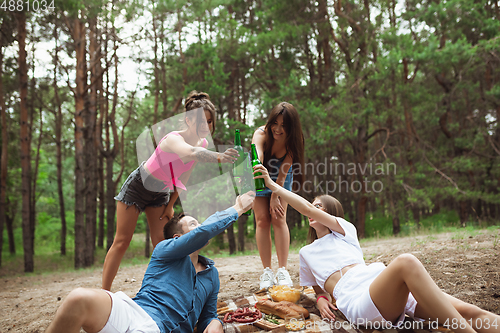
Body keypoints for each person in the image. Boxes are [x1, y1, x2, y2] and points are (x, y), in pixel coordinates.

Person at [253, 164, 500, 333]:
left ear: (332, 215)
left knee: (472, 313)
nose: (314, 210)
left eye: (321, 207)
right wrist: (319, 298)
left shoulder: (345, 231)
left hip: (386, 285)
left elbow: (306, 208)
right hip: (360, 300)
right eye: (314, 206)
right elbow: (315, 285)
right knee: (406, 262)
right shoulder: (306, 253)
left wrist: (274, 186)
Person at [45, 192, 255, 333]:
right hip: (134, 312)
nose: (200, 226)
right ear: (177, 238)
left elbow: (206, 318)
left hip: (157, 329)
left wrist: (216, 323)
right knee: (79, 298)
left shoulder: (211, 274)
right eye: (193, 224)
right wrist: (236, 208)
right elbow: (204, 232)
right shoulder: (165, 250)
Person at [102, 91, 239, 291]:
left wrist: (171, 204)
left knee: (163, 245)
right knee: (122, 241)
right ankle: (104, 292)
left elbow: (183, 176)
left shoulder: (203, 143)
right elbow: (191, 153)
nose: (205, 127)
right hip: (138, 187)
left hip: (161, 193)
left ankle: (165, 288)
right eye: (201, 122)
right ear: (188, 120)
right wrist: (219, 156)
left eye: (209, 122)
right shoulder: (173, 139)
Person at [251, 102, 304, 289]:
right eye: (275, 123)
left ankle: (282, 270)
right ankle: (267, 271)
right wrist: (256, 163)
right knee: (262, 220)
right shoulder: (261, 134)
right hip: (258, 172)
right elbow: (257, 155)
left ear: (291, 128)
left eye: (284, 125)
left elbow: (282, 175)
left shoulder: (293, 141)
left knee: (278, 217)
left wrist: (275, 194)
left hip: (281, 176)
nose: (278, 129)